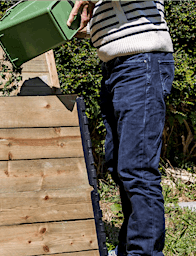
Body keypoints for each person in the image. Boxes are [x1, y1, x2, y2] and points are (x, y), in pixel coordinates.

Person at [67, 1, 175, 255]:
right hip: (116, 68)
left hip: (142, 61)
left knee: (137, 168)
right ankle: (130, 247)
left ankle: (144, 252)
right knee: (119, 164)